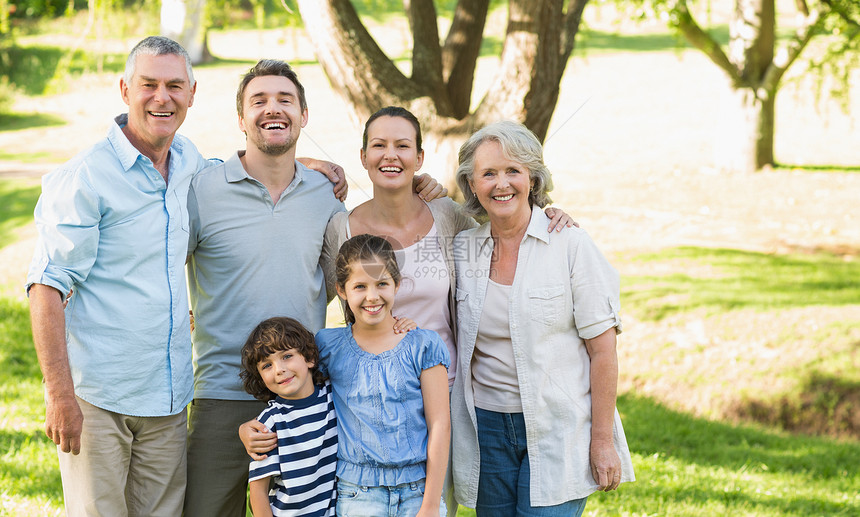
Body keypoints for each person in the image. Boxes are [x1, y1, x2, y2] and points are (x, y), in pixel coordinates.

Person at [184, 60, 445, 516]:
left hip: (306, 394)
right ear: (239, 118)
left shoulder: (325, 198)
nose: (273, 109)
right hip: (222, 393)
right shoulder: (203, 188)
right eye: (258, 101)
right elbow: (166, 268)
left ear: (304, 115)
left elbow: (350, 286)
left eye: (285, 100)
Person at [319, 106, 577, 516]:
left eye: (403, 146)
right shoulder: (340, 227)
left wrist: (550, 215)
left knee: (442, 505)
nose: (391, 155)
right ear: (363, 156)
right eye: (379, 145)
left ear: (419, 158)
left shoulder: (448, 216)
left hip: (450, 392)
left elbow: (505, 222)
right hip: (374, 398)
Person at [25, 36, 206, 516]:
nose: (161, 97)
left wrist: (305, 165)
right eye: (148, 85)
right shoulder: (86, 176)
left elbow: (241, 175)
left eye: (174, 85)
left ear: (192, 92)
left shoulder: (188, 161)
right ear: (125, 89)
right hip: (98, 400)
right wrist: (60, 395)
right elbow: (46, 286)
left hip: (167, 400)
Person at [450, 121, 635, 516]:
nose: (502, 184)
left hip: (559, 428)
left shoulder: (571, 244)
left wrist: (602, 440)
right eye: (488, 174)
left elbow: (603, 353)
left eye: (513, 171)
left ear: (532, 178)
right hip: (487, 430)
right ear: (472, 184)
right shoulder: (464, 248)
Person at [317, 233, 451, 516]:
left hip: (418, 490)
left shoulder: (423, 345)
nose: (372, 296)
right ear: (341, 290)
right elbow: (298, 401)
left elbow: (440, 425)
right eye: (360, 286)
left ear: (397, 285)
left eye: (382, 284)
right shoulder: (328, 347)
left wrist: (430, 504)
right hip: (357, 494)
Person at [239, 317, 338, 517]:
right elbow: (258, 491)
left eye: (286, 356)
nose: (279, 370)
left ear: (309, 357)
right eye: (267, 365)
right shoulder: (271, 421)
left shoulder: (332, 396)